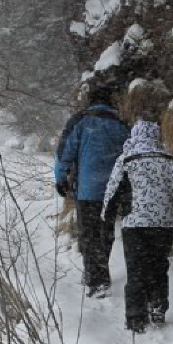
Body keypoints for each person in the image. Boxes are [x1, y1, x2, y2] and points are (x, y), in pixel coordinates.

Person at [101, 80, 173, 332]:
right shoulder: (168, 159)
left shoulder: (126, 159)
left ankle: (136, 317)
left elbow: (112, 191)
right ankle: (158, 307)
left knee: (136, 269)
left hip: (135, 225)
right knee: (159, 265)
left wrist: (105, 218)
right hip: (164, 224)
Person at [55, 82, 130, 298]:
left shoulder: (80, 121)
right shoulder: (120, 123)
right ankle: (101, 271)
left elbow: (64, 151)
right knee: (105, 233)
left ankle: (94, 278)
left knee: (88, 233)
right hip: (112, 190)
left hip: (87, 189)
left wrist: (61, 178)